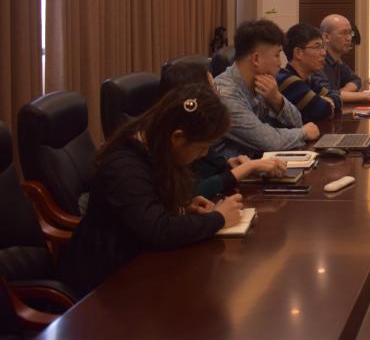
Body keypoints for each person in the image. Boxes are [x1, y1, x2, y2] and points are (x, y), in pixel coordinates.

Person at [60, 84, 243, 294]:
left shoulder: (156, 150)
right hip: (107, 280)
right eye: (203, 147)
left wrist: (182, 209)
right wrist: (218, 218)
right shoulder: (125, 167)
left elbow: (147, 211)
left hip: (141, 262)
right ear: (177, 138)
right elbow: (157, 230)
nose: (204, 154)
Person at [159, 60, 287, 199]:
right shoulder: (179, 139)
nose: (219, 95)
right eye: (214, 89)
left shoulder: (199, 127)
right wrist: (248, 167)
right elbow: (190, 193)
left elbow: (211, 166)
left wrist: (230, 166)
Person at [211, 19, 319, 160]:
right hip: (230, 171)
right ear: (256, 59)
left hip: (257, 164)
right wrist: (303, 133)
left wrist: (277, 99)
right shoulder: (225, 94)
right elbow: (269, 141)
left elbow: (297, 122)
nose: (280, 63)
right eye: (276, 55)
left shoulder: (261, 82)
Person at [320, 13, 370, 104]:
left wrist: (340, 94)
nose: (349, 38)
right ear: (326, 37)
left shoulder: (336, 61)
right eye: (343, 33)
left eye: (350, 33)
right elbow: (326, 95)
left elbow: (356, 80)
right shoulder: (317, 61)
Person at [278, 23, 342, 122]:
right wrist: (326, 103)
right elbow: (323, 110)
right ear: (298, 53)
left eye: (323, 47)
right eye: (317, 47)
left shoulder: (307, 79)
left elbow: (337, 96)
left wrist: (329, 100)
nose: (324, 53)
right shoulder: (288, 80)